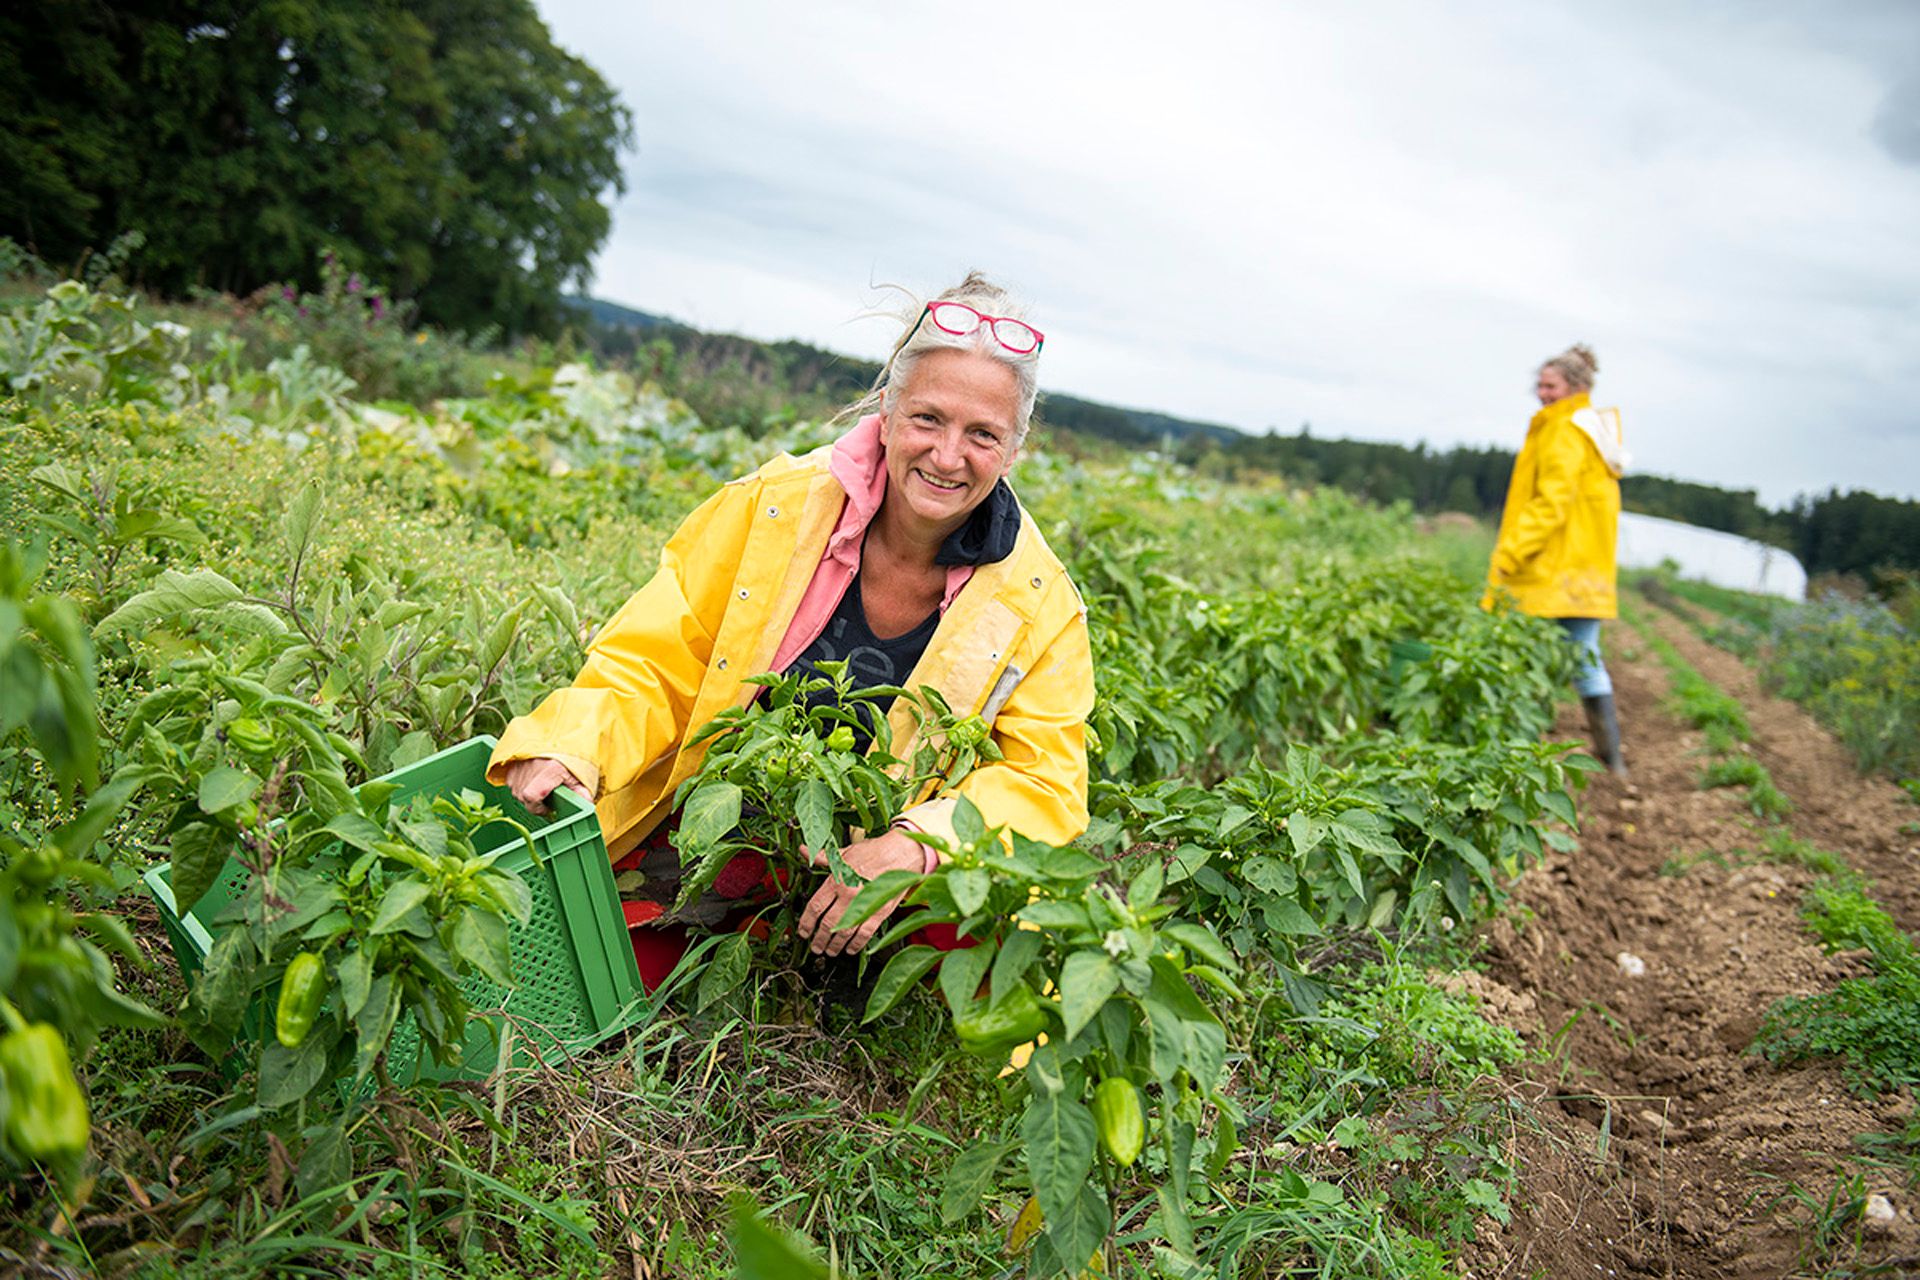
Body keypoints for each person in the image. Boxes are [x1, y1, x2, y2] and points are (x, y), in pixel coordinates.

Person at [485, 273, 1095, 987]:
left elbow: (1043, 782)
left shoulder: (1038, 600)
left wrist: (917, 847)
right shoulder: (774, 509)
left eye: (983, 434)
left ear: (1015, 449)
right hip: (728, 833)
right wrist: (571, 746)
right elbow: (654, 661)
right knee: (596, 968)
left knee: (973, 931)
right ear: (889, 411)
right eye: (928, 419)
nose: (948, 455)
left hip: (885, 884)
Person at [1485, 343, 1630, 777]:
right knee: (1582, 656)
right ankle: (1613, 763)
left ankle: (1519, 756)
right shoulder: (1589, 429)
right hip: (1580, 568)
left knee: (1525, 656)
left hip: (1554, 567)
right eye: (1540, 385)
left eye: (1550, 385)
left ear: (1576, 387)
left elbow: (1551, 503)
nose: (1542, 393)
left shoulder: (1564, 430)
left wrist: (1512, 551)